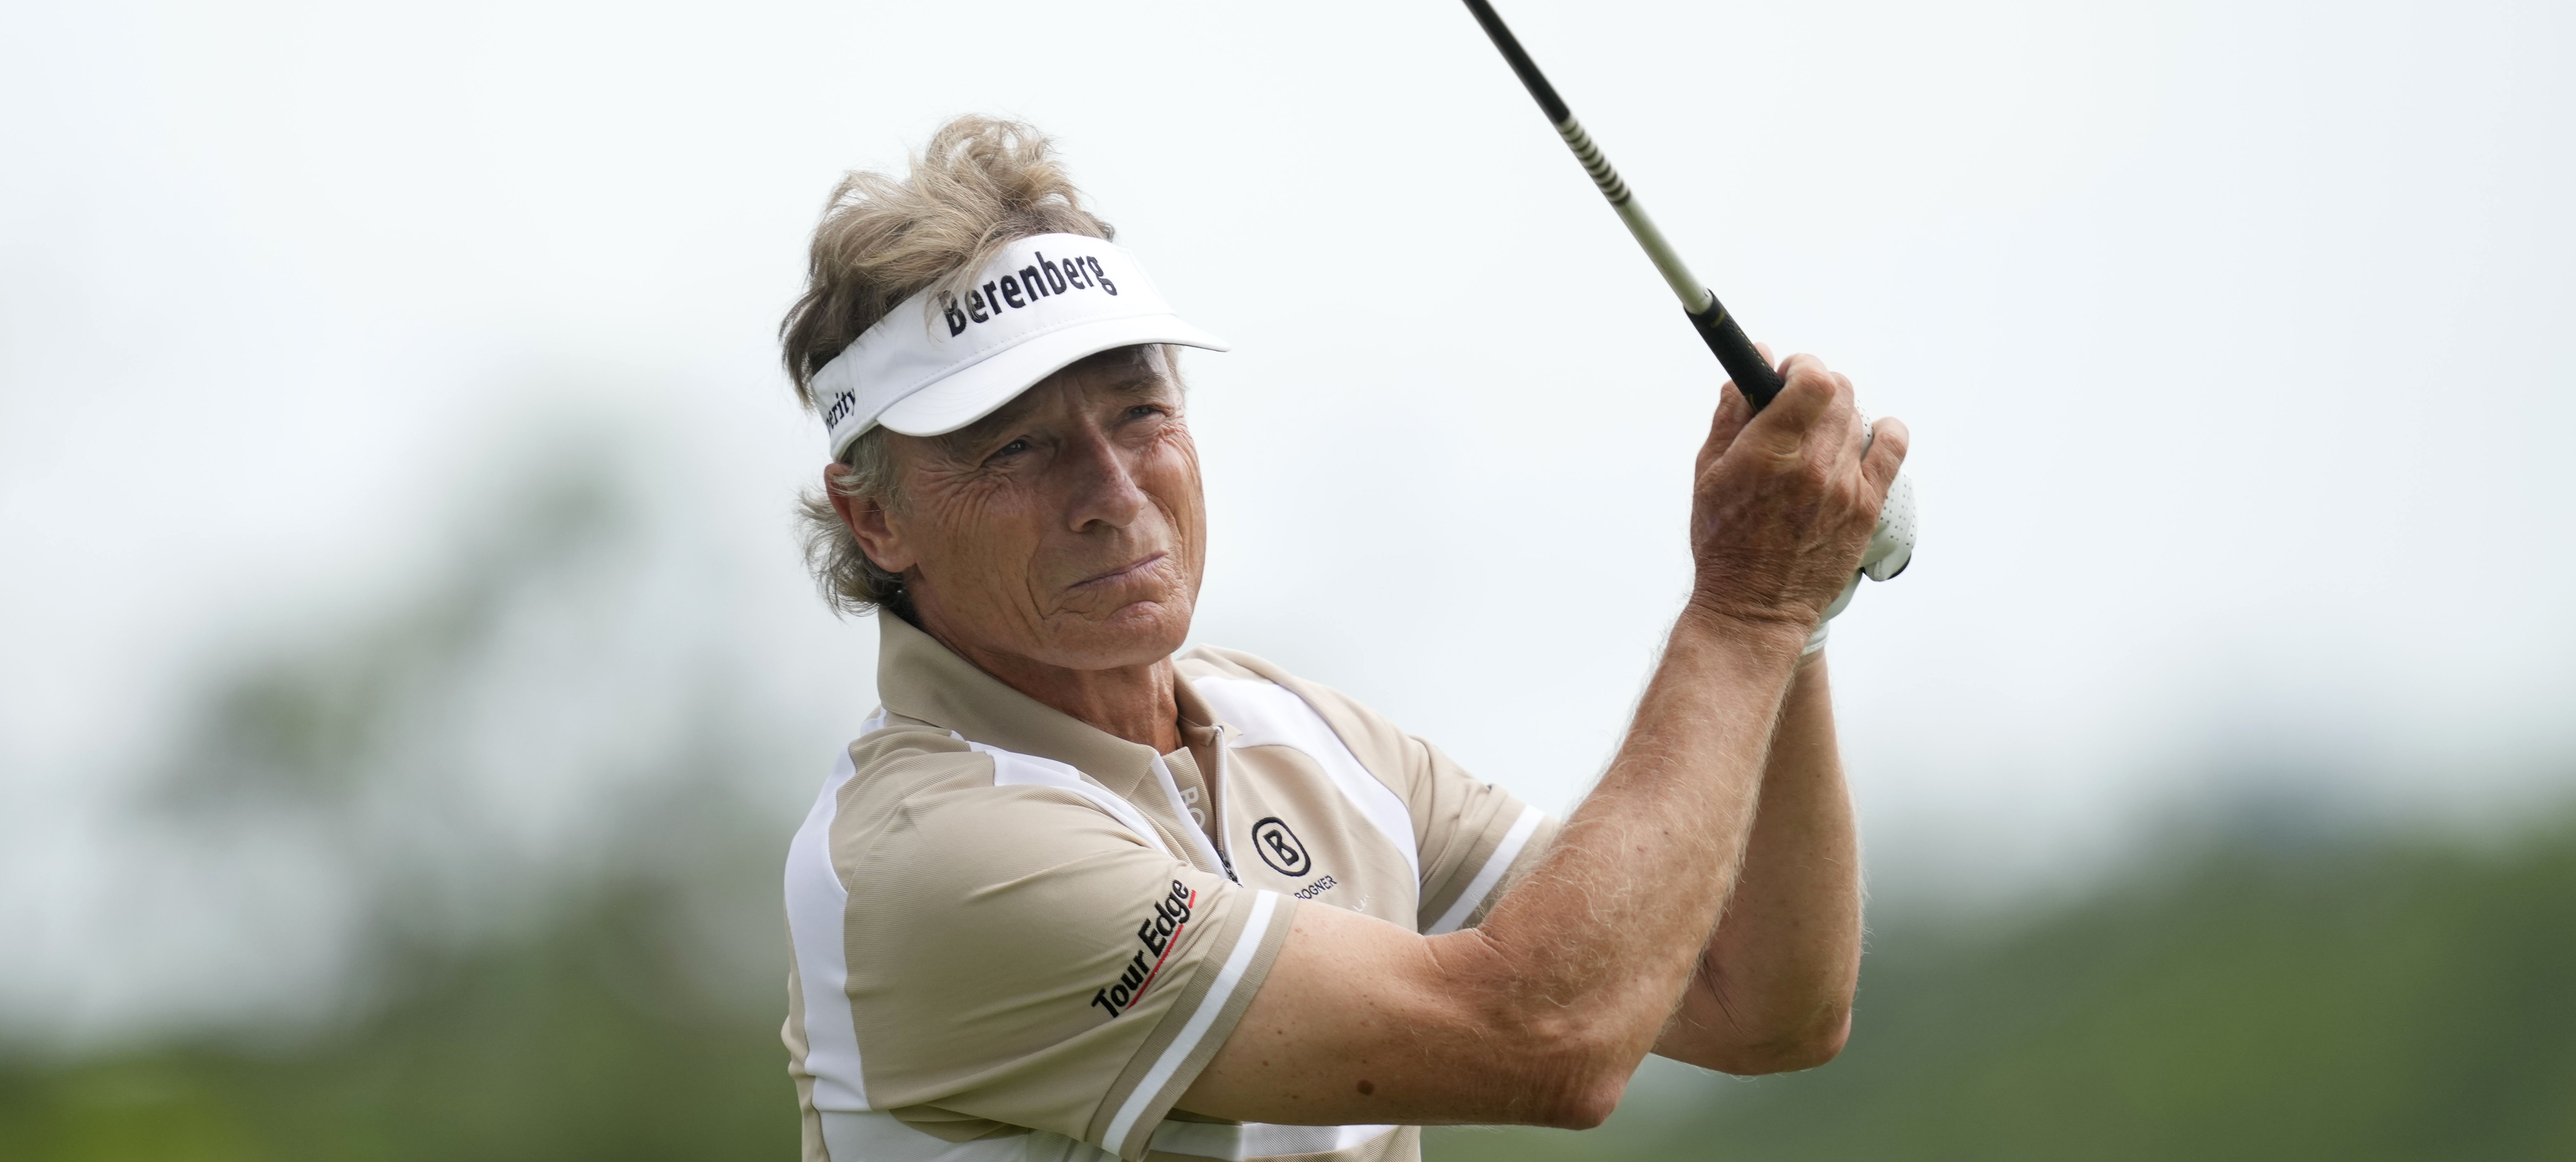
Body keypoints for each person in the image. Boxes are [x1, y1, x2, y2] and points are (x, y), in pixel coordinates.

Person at [777, 116, 1906, 1162]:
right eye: (1017, 447)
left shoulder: (1301, 734)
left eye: (1140, 411)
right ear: (874, 515)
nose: (1113, 493)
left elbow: (1758, 1003)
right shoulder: (931, 856)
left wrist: (1792, 617)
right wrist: (1749, 605)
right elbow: (1548, 1033)